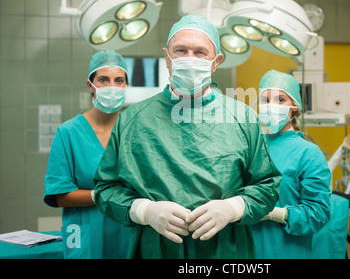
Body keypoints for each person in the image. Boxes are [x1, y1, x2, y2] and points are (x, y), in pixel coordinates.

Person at [93, 14, 281, 259]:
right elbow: (105, 188)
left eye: (200, 52)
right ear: (167, 58)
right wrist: (144, 210)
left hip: (225, 251)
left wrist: (233, 208)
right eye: (180, 51)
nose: (189, 59)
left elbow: (266, 185)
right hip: (155, 250)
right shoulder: (133, 119)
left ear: (216, 62)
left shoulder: (242, 118)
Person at [43, 50, 130, 259]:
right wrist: (101, 196)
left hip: (129, 232)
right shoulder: (69, 132)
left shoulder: (134, 129)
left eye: (119, 80)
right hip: (85, 236)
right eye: (103, 80)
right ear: (90, 86)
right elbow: (60, 195)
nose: (112, 86)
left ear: (126, 86)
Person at [251, 70, 331, 259]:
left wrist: (275, 214)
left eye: (280, 100)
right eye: (265, 100)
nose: (271, 106)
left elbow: (319, 214)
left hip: (286, 251)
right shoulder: (251, 146)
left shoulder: (308, 153)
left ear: (294, 105)